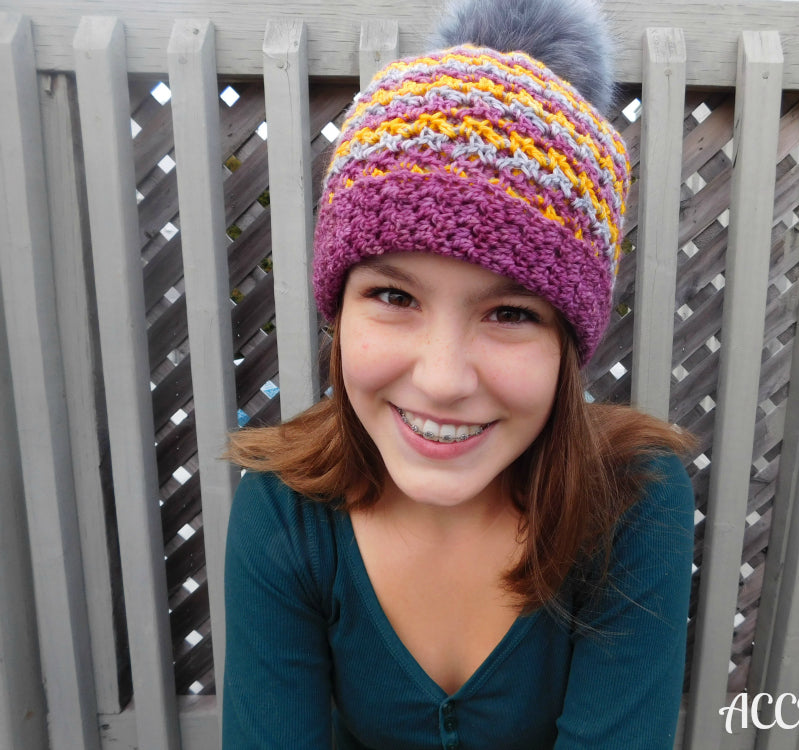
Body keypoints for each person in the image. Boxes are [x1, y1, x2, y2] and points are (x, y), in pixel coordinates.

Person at [221, 0, 695, 747]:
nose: (442, 380)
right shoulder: (286, 514)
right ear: (337, 311)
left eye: (510, 313)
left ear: (569, 346)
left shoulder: (631, 504)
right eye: (393, 296)